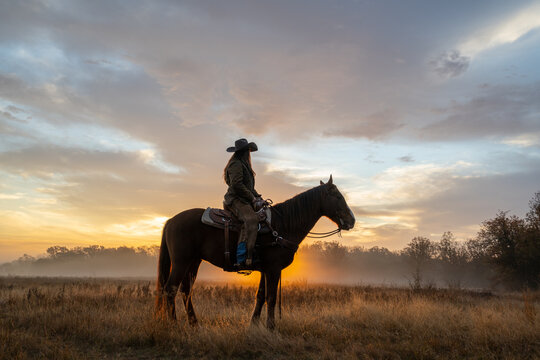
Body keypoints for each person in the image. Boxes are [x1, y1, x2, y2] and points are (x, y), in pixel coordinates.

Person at [223, 138, 265, 268]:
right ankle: (241, 259)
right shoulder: (236, 164)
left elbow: (249, 187)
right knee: (251, 220)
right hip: (235, 200)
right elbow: (237, 185)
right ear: (244, 152)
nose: (249, 154)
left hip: (243, 199)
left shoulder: (243, 164)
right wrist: (252, 198)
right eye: (248, 151)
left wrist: (258, 197)